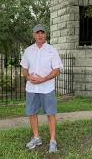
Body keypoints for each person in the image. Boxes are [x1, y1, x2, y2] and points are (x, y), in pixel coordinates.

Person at [20, 24, 63, 153]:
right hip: (31, 89)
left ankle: (53, 141)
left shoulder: (52, 50)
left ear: (45, 35)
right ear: (33, 35)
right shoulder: (28, 51)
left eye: (42, 33)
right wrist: (28, 77)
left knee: (50, 113)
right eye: (37, 33)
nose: (40, 35)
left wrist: (42, 79)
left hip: (47, 88)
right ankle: (36, 137)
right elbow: (24, 68)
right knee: (32, 112)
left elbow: (57, 70)